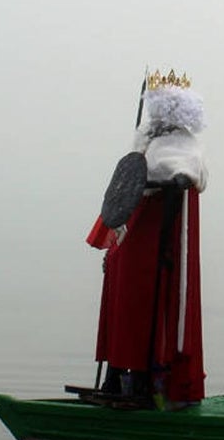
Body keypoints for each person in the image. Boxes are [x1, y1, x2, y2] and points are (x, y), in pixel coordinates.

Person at [86, 70, 208, 408]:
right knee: (120, 305)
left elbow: (186, 172)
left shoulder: (183, 146)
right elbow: (128, 181)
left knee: (143, 309)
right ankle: (114, 375)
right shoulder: (145, 142)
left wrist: (176, 180)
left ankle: (139, 379)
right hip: (131, 238)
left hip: (156, 243)